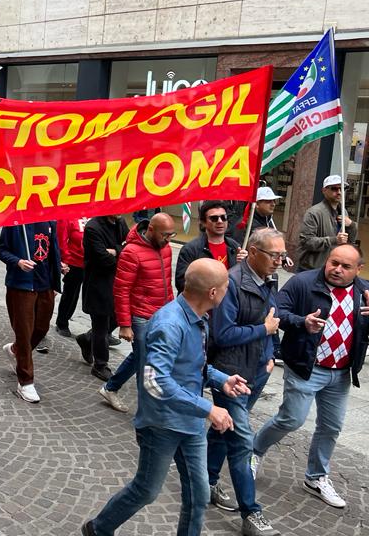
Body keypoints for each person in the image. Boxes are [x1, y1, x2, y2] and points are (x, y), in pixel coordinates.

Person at [81, 259, 251, 536]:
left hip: (190, 423)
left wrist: (222, 379)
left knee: (198, 496)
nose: (228, 290)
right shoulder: (170, 324)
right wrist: (208, 409)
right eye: (226, 286)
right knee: (146, 490)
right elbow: (155, 381)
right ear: (212, 293)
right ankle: (98, 529)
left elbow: (191, 366)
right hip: (161, 425)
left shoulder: (199, 317)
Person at [253, 244, 369, 509]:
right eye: (333, 262)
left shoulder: (365, 291)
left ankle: (316, 477)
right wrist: (302, 322)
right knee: (292, 419)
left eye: (346, 266)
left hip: (340, 373)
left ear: (359, 269)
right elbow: (276, 313)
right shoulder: (302, 283)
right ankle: (254, 451)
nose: (337, 269)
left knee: (331, 426)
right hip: (306, 367)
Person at [205, 228, 285, 535]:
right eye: (273, 255)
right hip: (231, 374)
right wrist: (263, 331)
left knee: (222, 429)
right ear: (252, 252)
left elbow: (272, 318)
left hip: (257, 371)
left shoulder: (268, 279)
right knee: (241, 443)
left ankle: (207, 481)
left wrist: (270, 352)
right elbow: (222, 334)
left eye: (282, 255)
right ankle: (251, 513)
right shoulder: (232, 283)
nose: (279, 261)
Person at [98, 213, 176, 413]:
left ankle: (110, 388)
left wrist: (172, 310)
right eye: (165, 235)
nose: (169, 239)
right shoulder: (131, 252)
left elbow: (166, 283)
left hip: (162, 314)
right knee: (146, 363)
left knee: (140, 356)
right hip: (141, 316)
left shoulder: (166, 248)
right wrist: (125, 324)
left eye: (171, 235)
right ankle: (148, 412)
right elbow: (121, 290)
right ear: (151, 229)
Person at [0, 222, 63, 403]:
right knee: (24, 333)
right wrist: (18, 262)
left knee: (41, 328)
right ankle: (25, 382)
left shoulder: (50, 220)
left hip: (45, 285)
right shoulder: (16, 222)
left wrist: (58, 270)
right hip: (22, 286)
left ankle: (15, 349)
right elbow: (1, 250)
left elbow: (52, 251)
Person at [77, 214, 129, 381]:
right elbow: (103, 259)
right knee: (101, 324)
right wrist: (120, 251)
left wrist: (115, 251)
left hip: (117, 281)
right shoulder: (93, 227)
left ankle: (87, 339)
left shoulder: (120, 222)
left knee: (117, 318)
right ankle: (100, 365)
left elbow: (130, 247)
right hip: (98, 283)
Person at [175, 200, 247, 293]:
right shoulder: (190, 250)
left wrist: (245, 265)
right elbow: (182, 284)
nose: (220, 221)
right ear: (203, 222)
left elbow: (243, 281)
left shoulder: (235, 247)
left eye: (223, 217)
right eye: (214, 218)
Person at [297, 175, 358, 271]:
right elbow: (306, 242)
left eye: (342, 189)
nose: (339, 192)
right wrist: (334, 240)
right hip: (312, 268)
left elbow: (350, 241)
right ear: (324, 190)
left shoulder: (343, 212)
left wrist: (351, 225)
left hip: (332, 268)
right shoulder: (314, 213)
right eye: (334, 189)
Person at [54, 217, 87, 342]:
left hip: (93, 262)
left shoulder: (94, 215)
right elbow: (61, 240)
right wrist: (65, 259)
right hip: (74, 262)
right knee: (71, 294)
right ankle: (62, 322)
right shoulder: (68, 217)